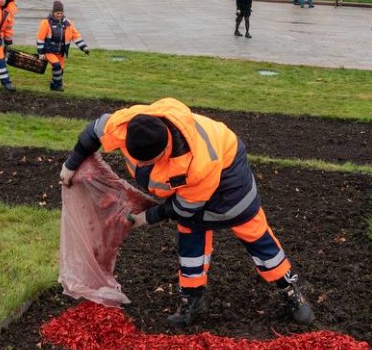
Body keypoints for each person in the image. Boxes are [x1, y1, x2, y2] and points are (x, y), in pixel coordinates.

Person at [57, 98, 314, 327]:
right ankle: (193, 299)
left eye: (145, 162)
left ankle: (289, 288)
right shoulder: (129, 124)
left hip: (228, 177)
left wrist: (147, 217)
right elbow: (93, 132)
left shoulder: (197, 164)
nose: (139, 165)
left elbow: (184, 207)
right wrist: (71, 165)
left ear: (163, 152)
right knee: (191, 238)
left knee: (253, 232)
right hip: (191, 188)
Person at [36, 0, 90, 92]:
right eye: (57, 13)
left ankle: (55, 84)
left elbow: (75, 36)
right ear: (53, 12)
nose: (59, 15)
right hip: (49, 51)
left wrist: (84, 47)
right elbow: (40, 39)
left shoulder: (68, 23)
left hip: (61, 52)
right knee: (56, 66)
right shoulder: (46, 23)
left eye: (61, 13)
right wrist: (40, 53)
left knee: (60, 70)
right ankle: (56, 86)